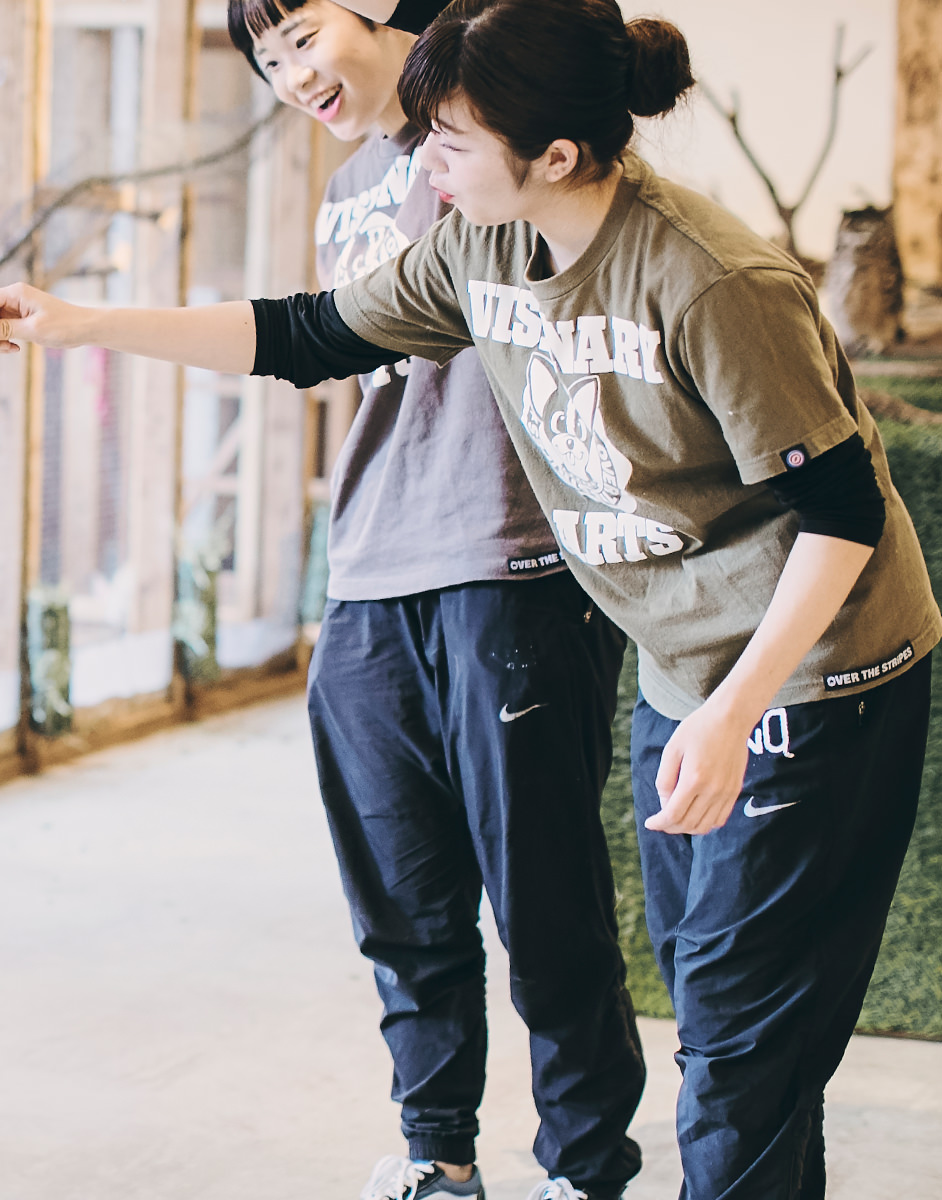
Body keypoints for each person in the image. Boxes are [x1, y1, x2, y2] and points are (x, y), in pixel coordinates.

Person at [0, 2, 941, 1197]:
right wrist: (85, 325)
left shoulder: (710, 281)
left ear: (553, 157)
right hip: (688, 673)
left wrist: (734, 710)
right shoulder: (480, 246)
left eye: (446, 142)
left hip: (817, 677)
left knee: (739, 1059)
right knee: (726, 1032)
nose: (418, 160)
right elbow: (311, 332)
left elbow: (841, 515)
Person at [222, 4, 645, 1198]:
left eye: (300, 33)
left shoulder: (489, 136)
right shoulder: (345, 186)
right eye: (266, 60)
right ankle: (434, 1158)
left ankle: (582, 1167)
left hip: (507, 560)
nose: (290, 73)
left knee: (544, 903)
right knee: (400, 904)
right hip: (364, 573)